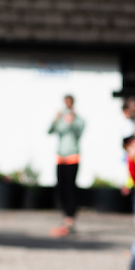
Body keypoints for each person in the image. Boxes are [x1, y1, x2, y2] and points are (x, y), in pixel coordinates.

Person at [47, 94, 83, 236]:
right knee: (61, 190)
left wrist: (72, 121)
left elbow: (79, 133)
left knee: (70, 189)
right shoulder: (60, 117)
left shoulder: (78, 119)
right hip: (60, 157)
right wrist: (56, 119)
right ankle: (65, 218)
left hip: (72, 157)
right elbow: (50, 131)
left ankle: (70, 219)